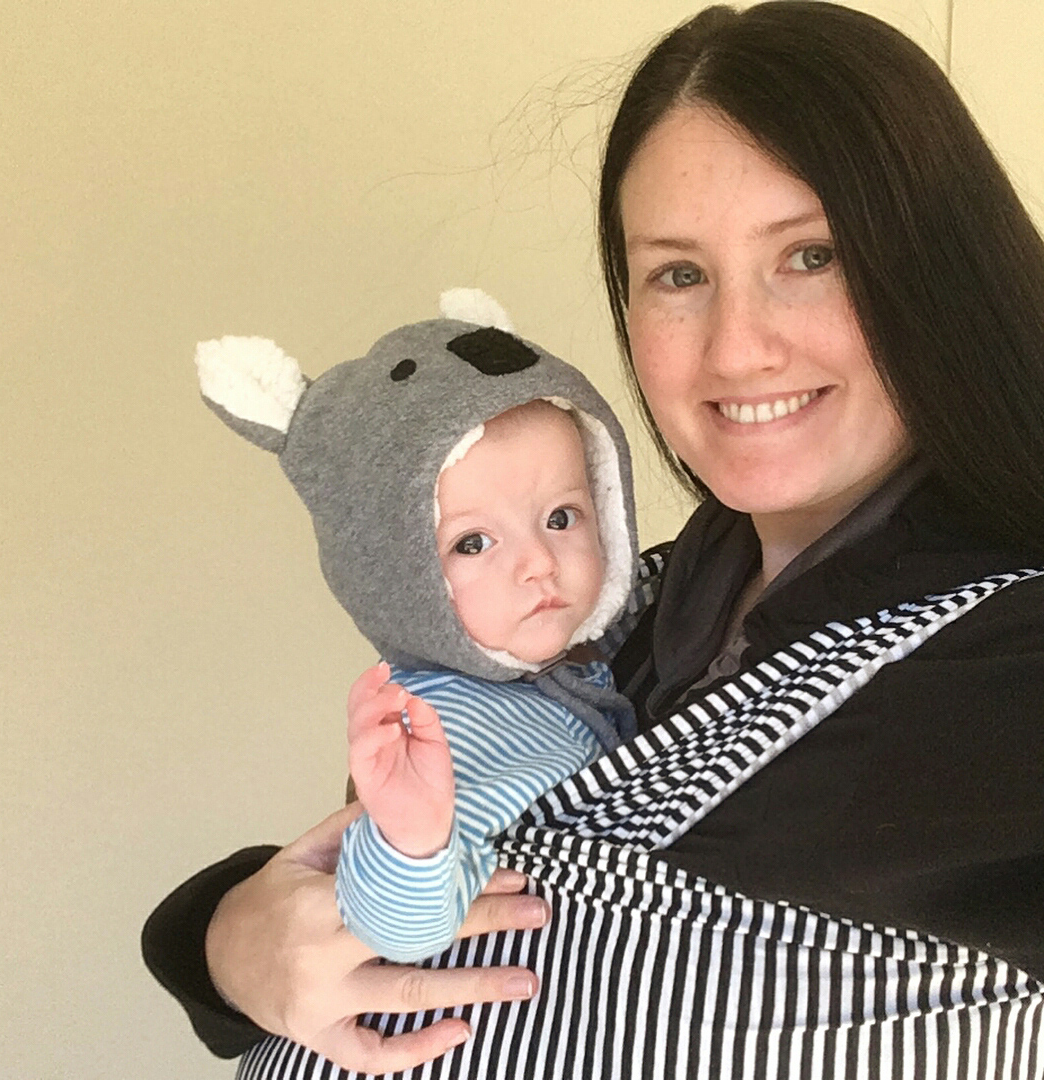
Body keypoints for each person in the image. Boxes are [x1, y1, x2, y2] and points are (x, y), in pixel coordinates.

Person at [143, 3, 1044, 1077]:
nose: (737, 347)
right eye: (677, 274)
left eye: (810, 255)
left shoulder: (1010, 664)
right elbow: (380, 867)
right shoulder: (602, 610)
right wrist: (223, 937)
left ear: (937, 271)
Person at [191, 292, 642, 965]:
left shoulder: (598, 649)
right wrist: (410, 838)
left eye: (561, 517)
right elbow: (398, 929)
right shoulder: (438, 727)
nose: (540, 564)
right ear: (393, 572)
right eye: (472, 543)